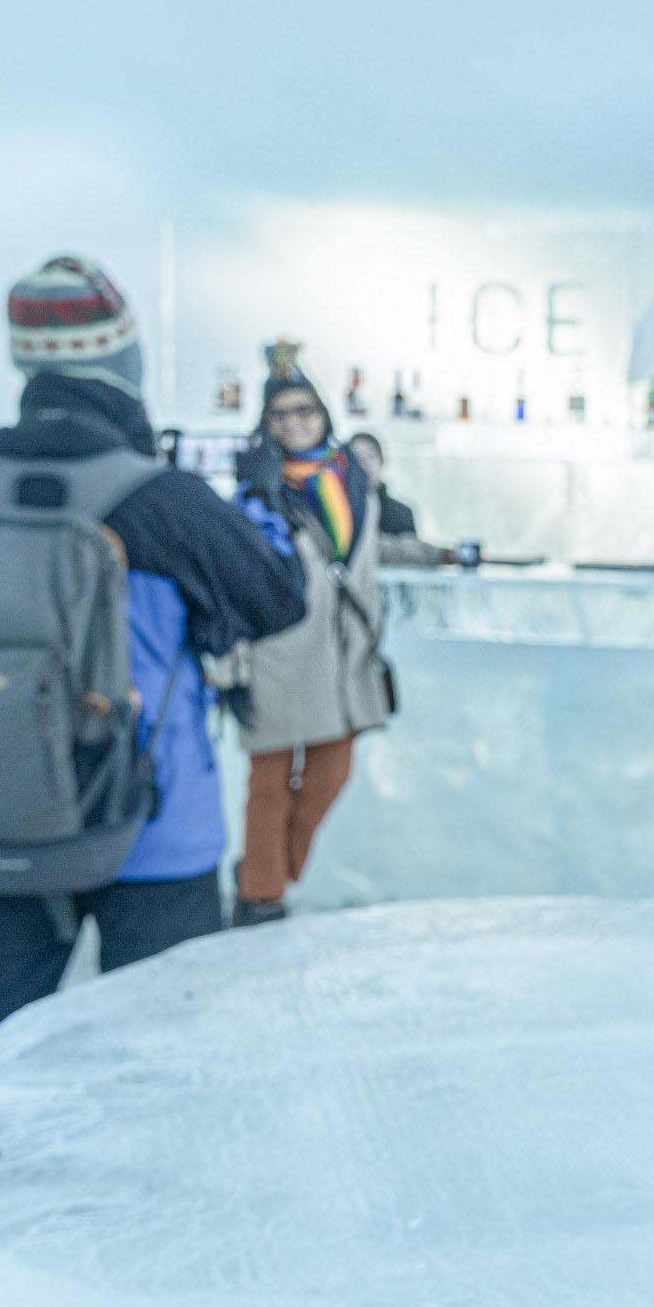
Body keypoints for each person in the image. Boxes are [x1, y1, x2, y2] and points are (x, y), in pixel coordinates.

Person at [0, 257, 306, 1070]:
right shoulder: (161, 498)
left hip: (8, 806)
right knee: (167, 1059)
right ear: (124, 366)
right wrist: (266, 499)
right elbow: (278, 601)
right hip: (156, 828)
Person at [228, 344, 392, 926]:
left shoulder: (351, 476)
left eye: (306, 411)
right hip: (277, 646)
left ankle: (266, 870)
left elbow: (366, 548)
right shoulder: (255, 490)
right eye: (281, 415)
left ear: (324, 414)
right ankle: (261, 896)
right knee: (270, 781)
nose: (295, 423)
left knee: (331, 771)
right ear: (266, 424)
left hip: (344, 649)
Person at [345, 430, 463, 567]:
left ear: (382, 462)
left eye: (370, 457)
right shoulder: (338, 510)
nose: (364, 464)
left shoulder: (402, 513)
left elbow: (410, 559)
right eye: (357, 458)